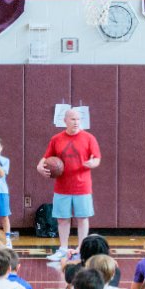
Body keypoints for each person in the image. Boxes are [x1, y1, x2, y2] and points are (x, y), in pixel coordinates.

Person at [41, 107, 102, 262]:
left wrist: (92, 163)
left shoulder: (89, 138)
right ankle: (62, 249)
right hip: (62, 187)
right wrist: (39, 167)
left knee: (82, 218)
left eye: (78, 119)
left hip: (82, 187)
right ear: (65, 121)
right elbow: (46, 158)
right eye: (73, 119)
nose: (76, 122)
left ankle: (81, 249)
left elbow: (97, 158)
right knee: (62, 219)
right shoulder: (56, 139)